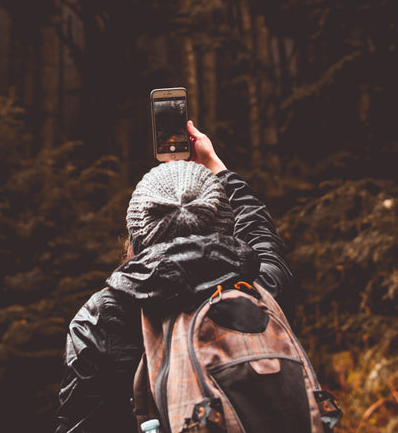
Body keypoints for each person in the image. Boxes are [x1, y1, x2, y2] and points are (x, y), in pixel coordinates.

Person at [53, 121, 293, 433]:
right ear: (223, 225)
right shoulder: (257, 290)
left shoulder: (101, 319)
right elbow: (261, 236)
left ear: (137, 235)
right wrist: (216, 168)